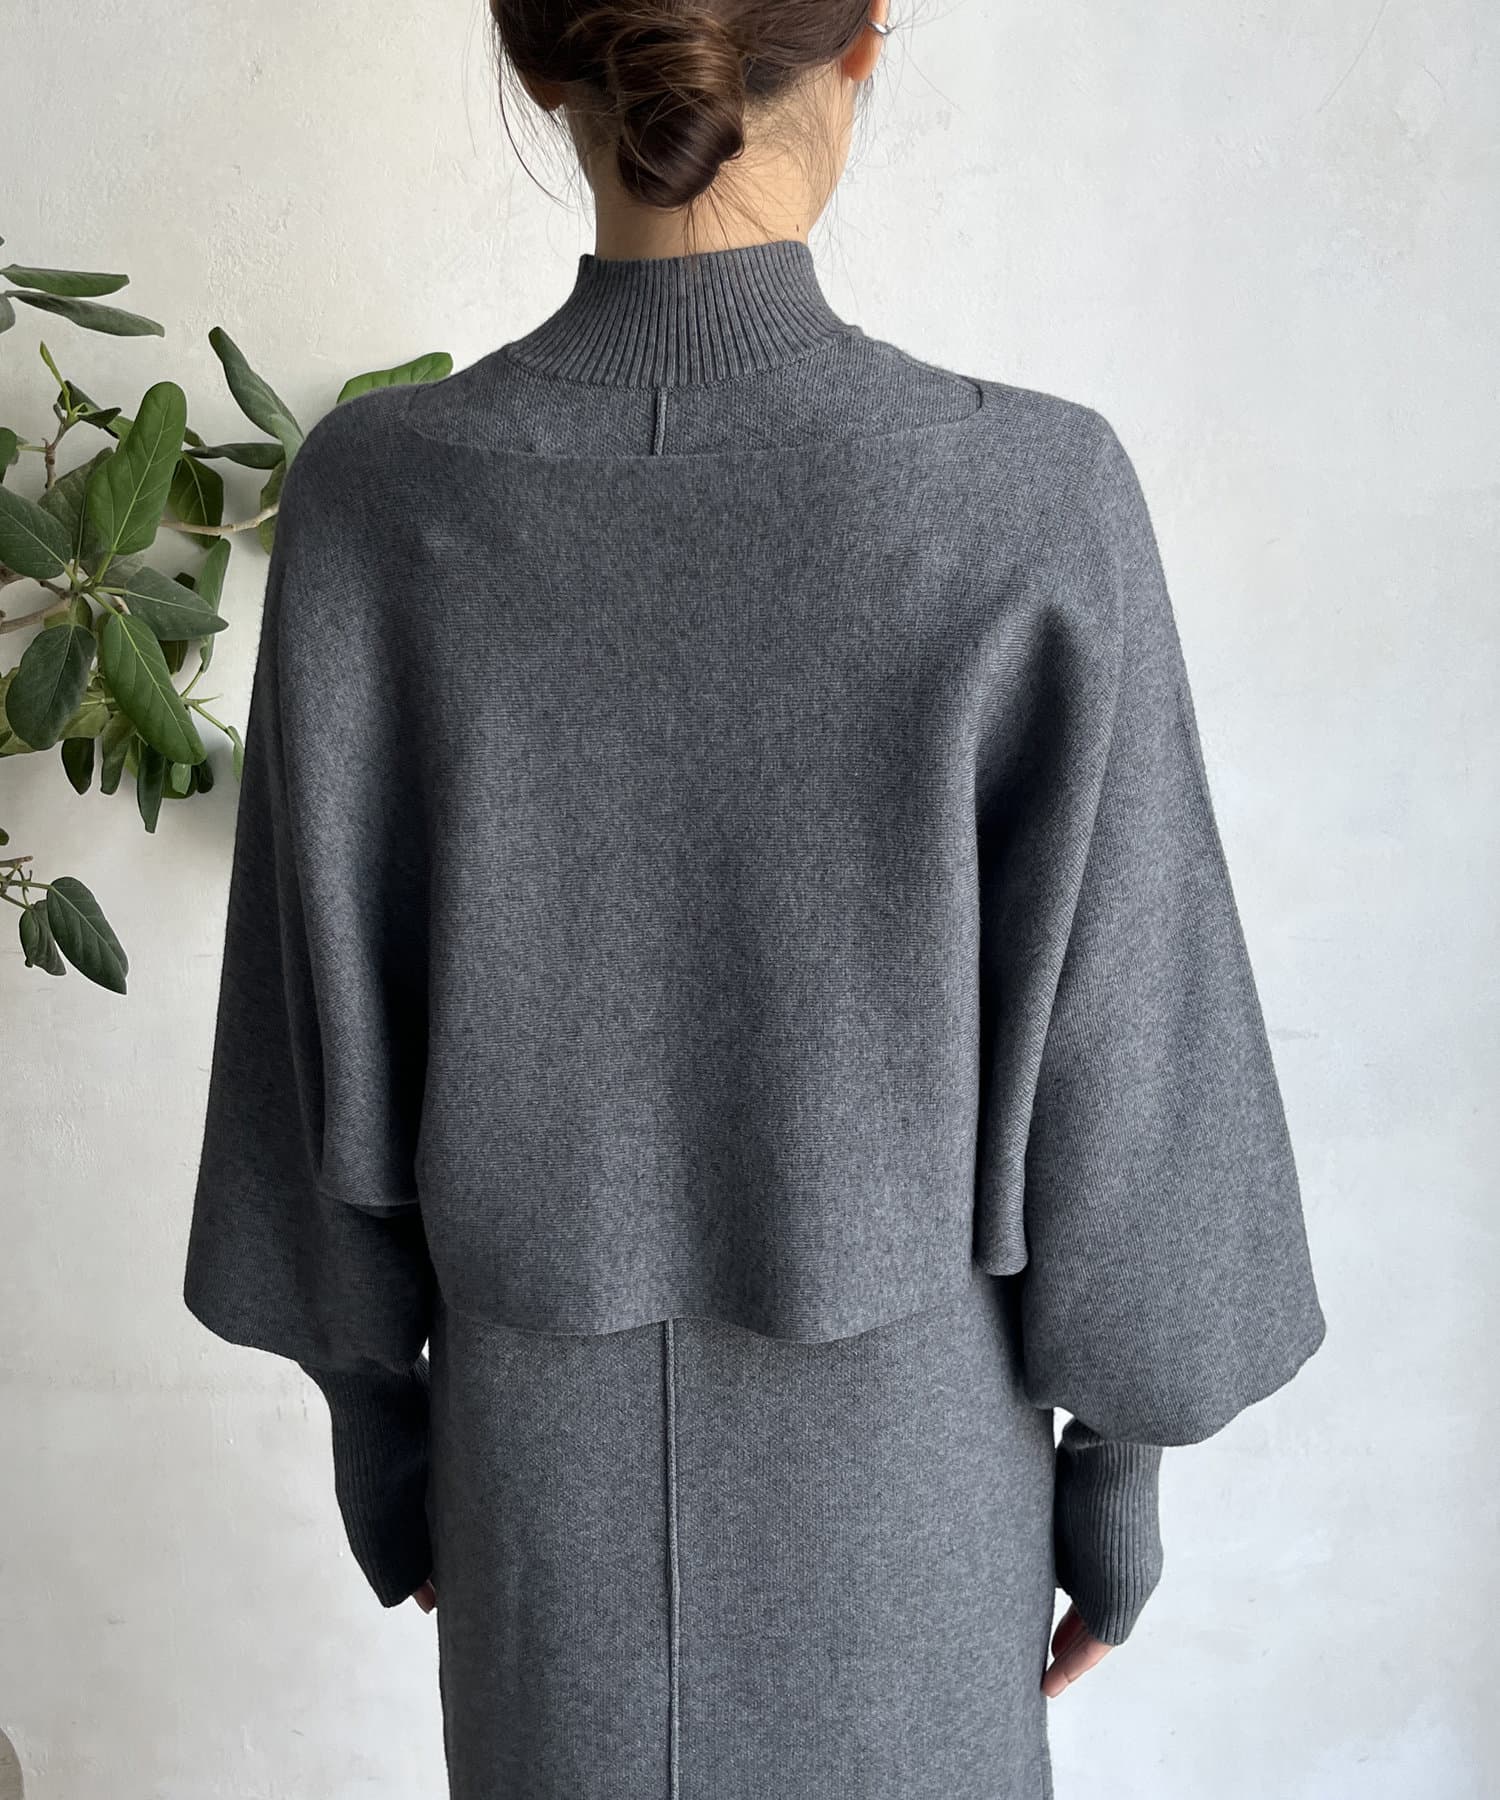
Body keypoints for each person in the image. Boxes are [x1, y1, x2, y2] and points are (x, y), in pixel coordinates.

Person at [181, 2, 1328, 1795]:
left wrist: (383, 1444)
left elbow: (307, 1057)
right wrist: (1116, 1491)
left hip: (535, 1525)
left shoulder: (374, 505)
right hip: (914, 1518)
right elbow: (1137, 1073)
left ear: (536, 57)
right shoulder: (1028, 501)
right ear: (864, 40)